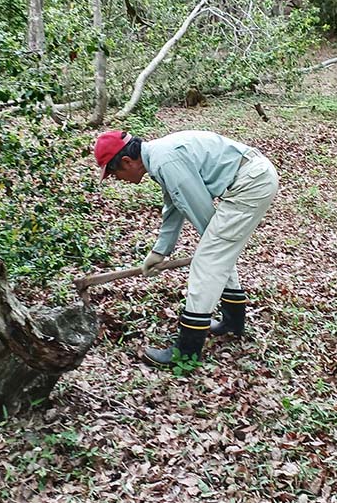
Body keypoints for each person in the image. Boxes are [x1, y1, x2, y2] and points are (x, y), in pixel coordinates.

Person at [94, 129, 279, 367]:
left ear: (127, 161)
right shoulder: (159, 157)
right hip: (253, 177)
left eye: (113, 173)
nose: (116, 179)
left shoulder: (166, 160)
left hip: (250, 183)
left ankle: (186, 351)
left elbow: (200, 210)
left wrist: (211, 248)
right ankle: (233, 323)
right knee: (217, 254)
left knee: (208, 261)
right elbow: (173, 204)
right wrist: (160, 251)